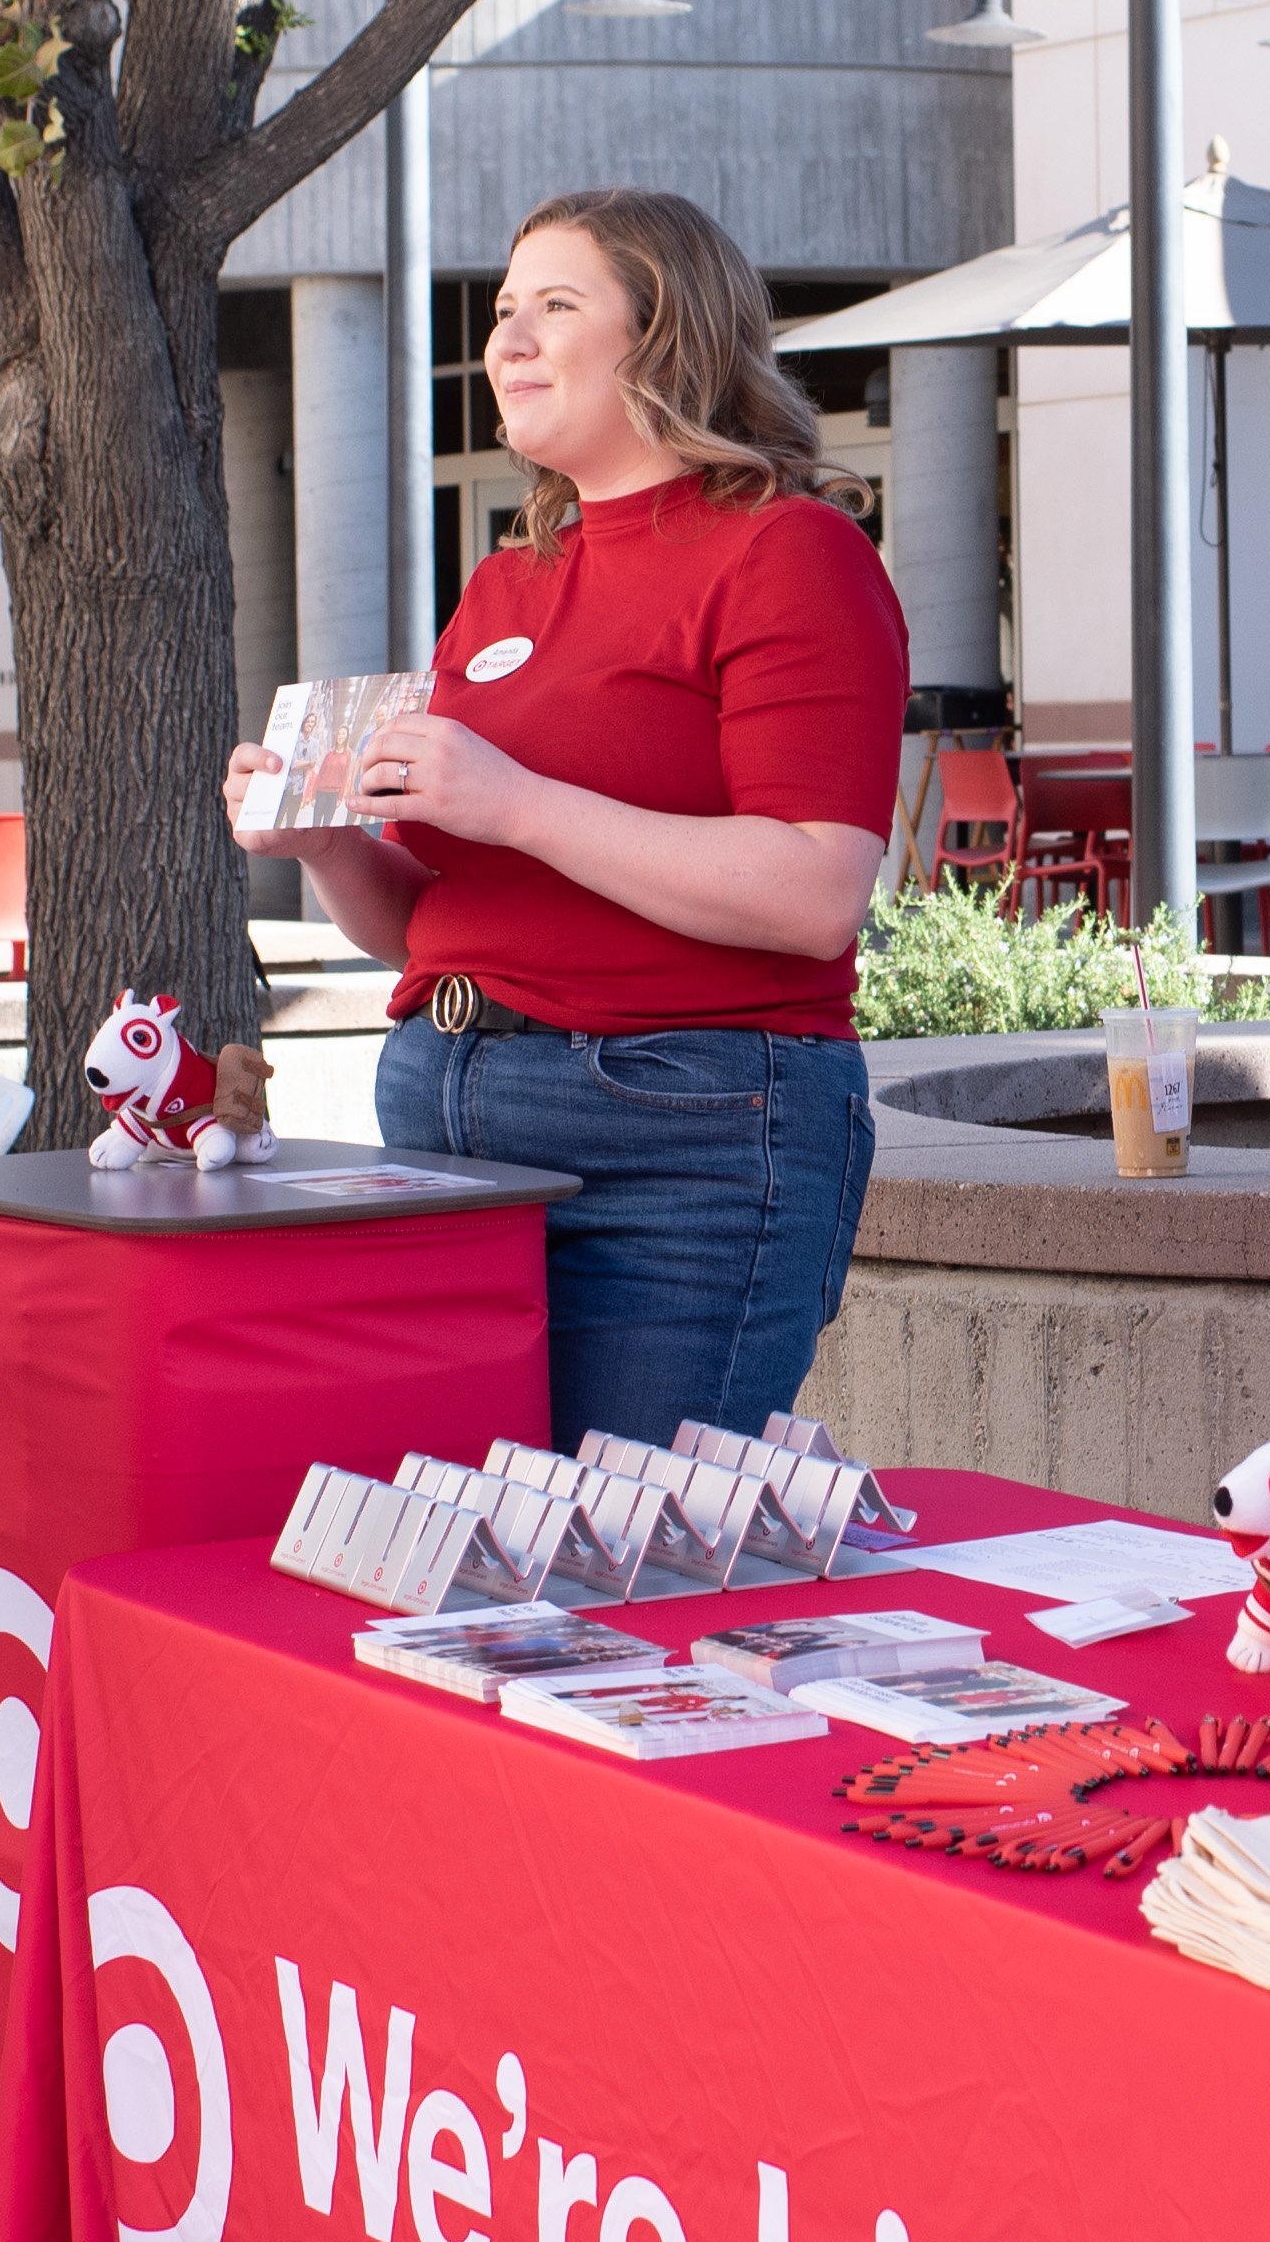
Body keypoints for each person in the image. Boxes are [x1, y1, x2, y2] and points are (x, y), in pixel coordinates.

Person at [238, 189, 898, 1445]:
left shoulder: (789, 551)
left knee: (623, 1567)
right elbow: (435, 924)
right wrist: (325, 836)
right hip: (442, 1110)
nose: (508, 342)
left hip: (682, 1132)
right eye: (501, 313)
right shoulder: (507, 579)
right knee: (474, 1563)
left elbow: (815, 895)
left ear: (666, 337)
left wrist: (518, 802)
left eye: (555, 307)